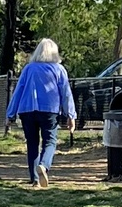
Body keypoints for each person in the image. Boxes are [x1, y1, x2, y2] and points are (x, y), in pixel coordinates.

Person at [5, 39, 76, 187]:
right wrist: (70, 115)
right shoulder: (58, 69)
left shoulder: (29, 69)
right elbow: (66, 93)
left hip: (27, 110)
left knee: (32, 144)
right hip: (49, 110)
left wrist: (10, 114)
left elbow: (18, 91)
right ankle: (44, 165)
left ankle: (35, 180)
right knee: (50, 141)